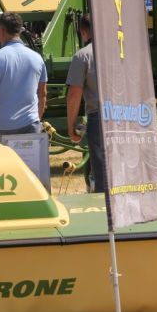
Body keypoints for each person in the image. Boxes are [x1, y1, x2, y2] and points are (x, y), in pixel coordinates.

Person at [0, 12, 47, 140]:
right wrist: (36, 120)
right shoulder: (37, 58)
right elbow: (43, 95)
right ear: (19, 31)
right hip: (30, 125)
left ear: (1, 31)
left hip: (1, 128)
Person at [65, 14, 104, 192]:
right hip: (128, 114)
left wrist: (71, 125)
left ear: (83, 32)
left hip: (100, 117)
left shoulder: (82, 56)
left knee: (103, 172)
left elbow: (74, 94)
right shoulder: (123, 52)